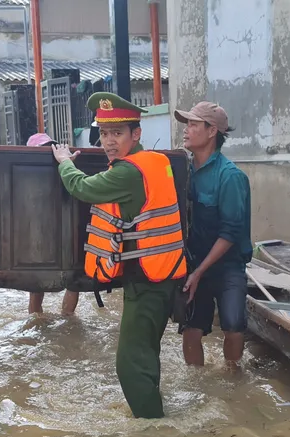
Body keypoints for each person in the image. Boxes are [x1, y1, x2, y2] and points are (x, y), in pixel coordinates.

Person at [50, 92, 186, 418]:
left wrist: (65, 161)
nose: (109, 142)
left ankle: (154, 434)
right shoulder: (156, 161)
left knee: (129, 365)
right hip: (164, 276)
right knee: (146, 355)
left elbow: (81, 187)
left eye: (117, 133)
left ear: (135, 134)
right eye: (105, 133)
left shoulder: (127, 173)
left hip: (147, 282)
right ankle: (157, 415)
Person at [173, 101, 252, 368]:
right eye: (187, 124)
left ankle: (233, 379)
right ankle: (198, 385)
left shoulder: (230, 177)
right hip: (194, 261)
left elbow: (230, 232)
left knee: (233, 325)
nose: (186, 130)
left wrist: (199, 272)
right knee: (191, 328)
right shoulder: (183, 171)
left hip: (228, 265)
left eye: (193, 125)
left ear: (211, 132)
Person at [25, 132, 80, 316]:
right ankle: (35, 319)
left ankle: (68, 318)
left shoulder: (64, 167)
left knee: (73, 279)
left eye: (49, 149)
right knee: (36, 283)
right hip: (39, 234)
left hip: (65, 232)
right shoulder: (25, 177)